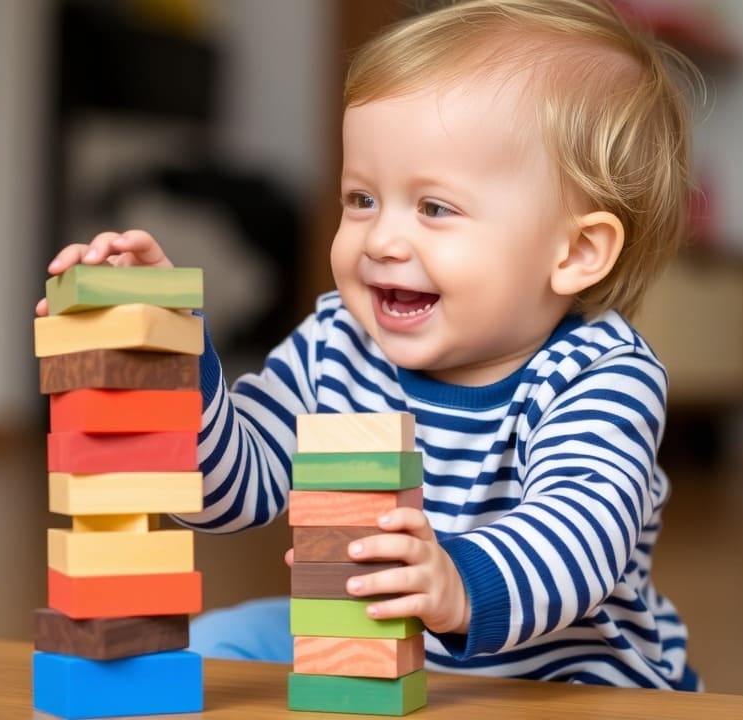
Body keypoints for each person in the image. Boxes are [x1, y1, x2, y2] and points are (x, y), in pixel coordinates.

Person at [36, 0, 700, 690]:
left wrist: (455, 582)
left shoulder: (598, 373)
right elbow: (231, 490)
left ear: (576, 252)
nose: (381, 240)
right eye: (361, 200)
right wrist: (166, 360)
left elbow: (581, 537)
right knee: (219, 639)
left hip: (561, 680)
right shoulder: (337, 343)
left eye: (434, 208)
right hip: (365, 645)